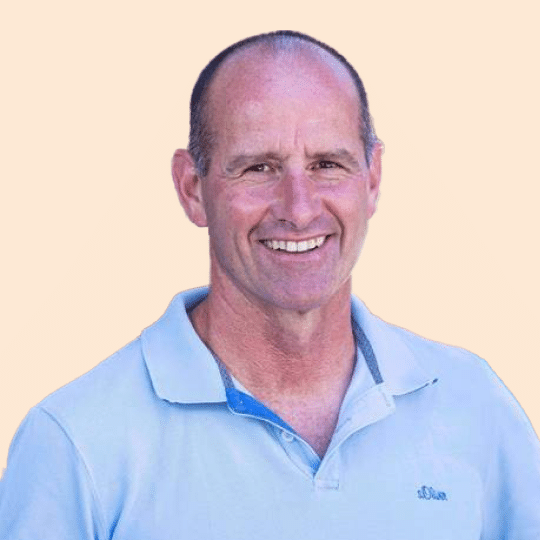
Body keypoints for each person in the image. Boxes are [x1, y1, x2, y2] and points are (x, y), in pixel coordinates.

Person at [1, 30, 539, 539]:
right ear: (192, 189)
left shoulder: (475, 407)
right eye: (259, 168)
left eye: (329, 164)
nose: (299, 209)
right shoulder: (73, 443)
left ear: (372, 180)